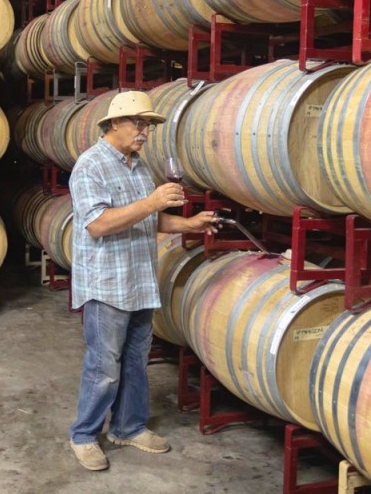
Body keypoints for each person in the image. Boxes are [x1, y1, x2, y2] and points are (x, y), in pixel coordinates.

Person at [67, 90, 217, 471]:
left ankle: (128, 427)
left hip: (140, 280)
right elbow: (98, 224)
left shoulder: (139, 167)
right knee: (104, 366)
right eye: (139, 123)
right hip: (107, 284)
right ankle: (84, 435)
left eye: (148, 125)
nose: (145, 131)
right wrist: (152, 202)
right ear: (115, 123)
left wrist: (190, 224)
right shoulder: (90, 166)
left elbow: (150, 219)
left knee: (136, 360)